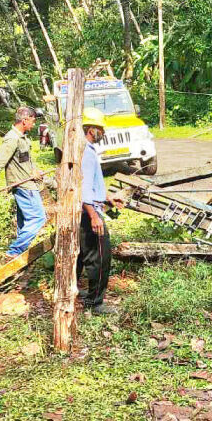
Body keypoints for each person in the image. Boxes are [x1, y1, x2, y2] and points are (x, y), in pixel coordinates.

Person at [77, 108, 123, 314]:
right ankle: (95, 303)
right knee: (100, 257)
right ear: (91, 129)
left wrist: (108, 197)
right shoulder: (86, 152)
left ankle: (78, 291)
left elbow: (92, 186)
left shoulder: (86, 149)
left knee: (82, 254)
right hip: (89, 212)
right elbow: (84, 188)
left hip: (87, 209)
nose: (102, 133)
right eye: (100, 129)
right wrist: (94, 215)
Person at [0, 106, 47, 257]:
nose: (33, 124)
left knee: (25, 222)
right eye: (32, 121)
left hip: (26, 182)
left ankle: (18, 255)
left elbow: (24, 160)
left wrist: (34, 171)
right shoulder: (12, 139)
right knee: (38, 218)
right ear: (25, 120)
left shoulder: (22, 138)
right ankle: (14, 251)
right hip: (24, 186)